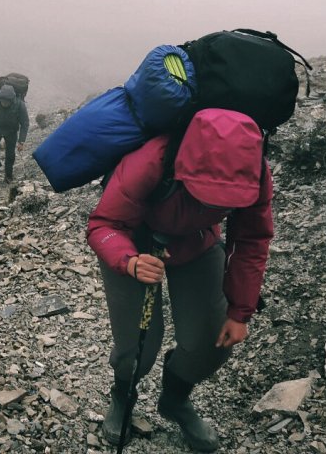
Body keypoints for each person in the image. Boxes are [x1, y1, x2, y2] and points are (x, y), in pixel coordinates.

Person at [86, 108, 273, 452]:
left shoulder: (254, 172)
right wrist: (129, 262)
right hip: (137, 246)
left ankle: (174, 401)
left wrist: (241, 310)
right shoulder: (152, 160)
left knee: (212, 343)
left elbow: (251, 240)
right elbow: (103, 224)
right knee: (137, 349)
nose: (220, 203)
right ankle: (122, 398)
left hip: (197, 242)